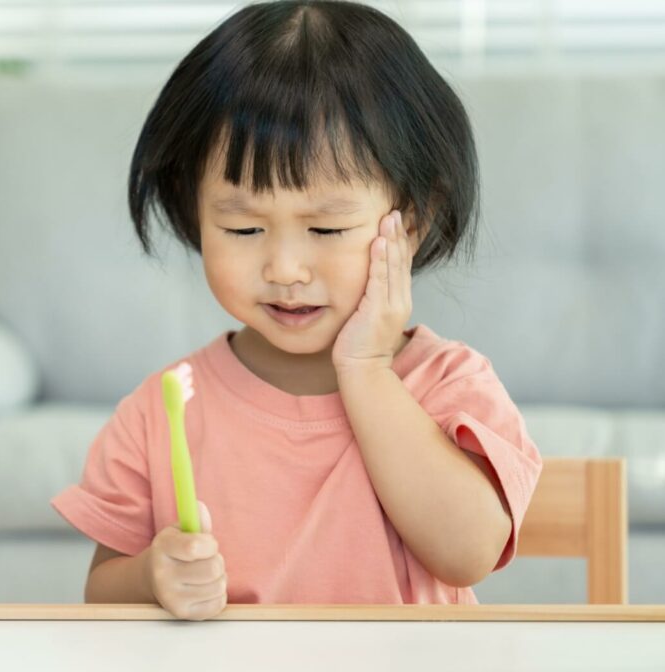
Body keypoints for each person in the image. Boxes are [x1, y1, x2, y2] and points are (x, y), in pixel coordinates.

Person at [51, 0, 543, 621]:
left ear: (410, 221)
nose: (285, 269)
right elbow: (101, 590)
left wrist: (365, 369)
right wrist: (155, 574)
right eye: (244, 228)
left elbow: (469, 552)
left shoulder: (450, 386)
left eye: (328, 229)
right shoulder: (166, 407)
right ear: (194, 211)